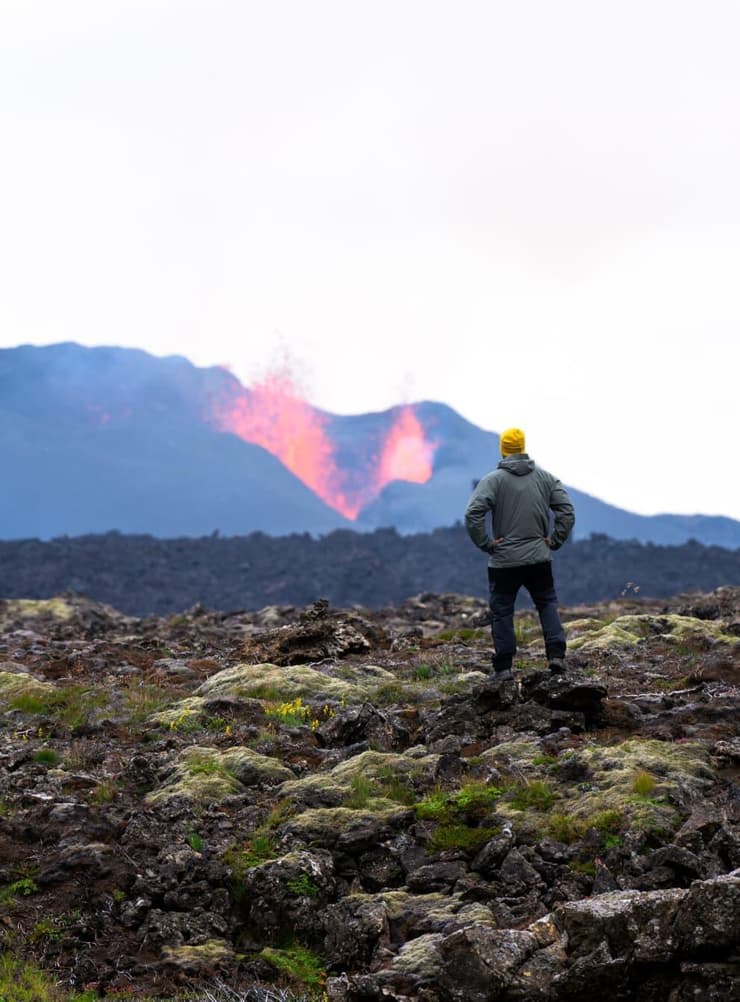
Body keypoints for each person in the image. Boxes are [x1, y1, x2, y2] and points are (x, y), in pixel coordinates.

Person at [464, 427, 575, 681]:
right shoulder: (546, 479)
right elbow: (567, 511)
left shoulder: (493, 480)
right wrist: (553, 541)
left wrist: (488, 544)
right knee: (546, 602)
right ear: (523, 447)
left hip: (504, 561)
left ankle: (503, 668)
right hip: (539, 558)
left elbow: (473, 514)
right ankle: (556, 656)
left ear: (504, 449)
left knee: (502, 611)